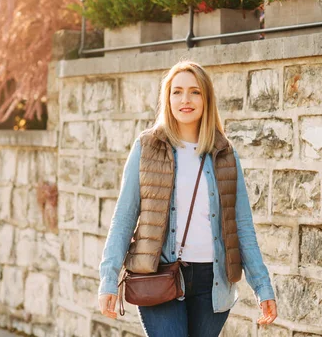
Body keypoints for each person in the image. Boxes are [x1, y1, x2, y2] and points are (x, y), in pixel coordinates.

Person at [97, 61, 277, 337]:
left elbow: (241, 226)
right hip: (159, 274)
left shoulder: (224, 153)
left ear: (206, 99)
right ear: (167, 99)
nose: (185, 100)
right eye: (177, 92)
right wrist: (108, 280)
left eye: (194, 92)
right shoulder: (147, 148)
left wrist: (262, 287)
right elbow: (123, 218)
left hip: (213, 282)